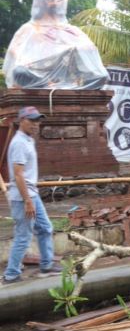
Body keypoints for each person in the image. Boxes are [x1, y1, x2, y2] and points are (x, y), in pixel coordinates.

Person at [2, 0, 108, 89]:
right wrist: (28, 58)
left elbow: (90, 49)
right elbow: (13, 52)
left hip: (68, 76)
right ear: (42, 1)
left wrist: (71, 49)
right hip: (37, 74)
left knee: (101, 76)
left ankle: (65, 86)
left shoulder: (72, 30)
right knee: (19, 71)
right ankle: (47, 85)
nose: (54, 2)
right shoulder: (29, 28)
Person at [3, 107, 62, 285]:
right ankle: (11, 275)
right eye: (32, 120)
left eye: (38, 121)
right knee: (24, 235)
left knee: (45, 228)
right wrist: (28, 201)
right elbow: (18, 174)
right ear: (21, 121)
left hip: (32, 195)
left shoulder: (28, 140)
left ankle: (46, 265)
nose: (36, 124)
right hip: (23, 198)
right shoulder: (19, 143)